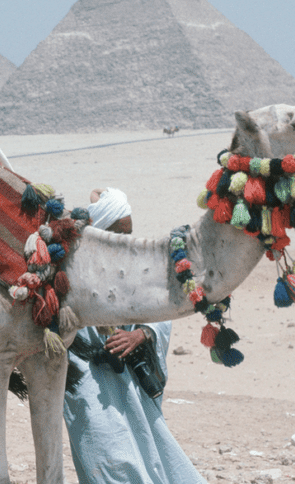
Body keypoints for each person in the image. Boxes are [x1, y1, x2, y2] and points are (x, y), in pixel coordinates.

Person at [63, 188, 207, 484]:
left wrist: (142, 334)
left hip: (131, 382)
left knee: (151, 446)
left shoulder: (132, 265)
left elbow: (160, 305)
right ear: (100, 234)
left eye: (129, 232)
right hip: (88, 380)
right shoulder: (73, 267)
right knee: (105, 453)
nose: (127, 240)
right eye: (118, 232)